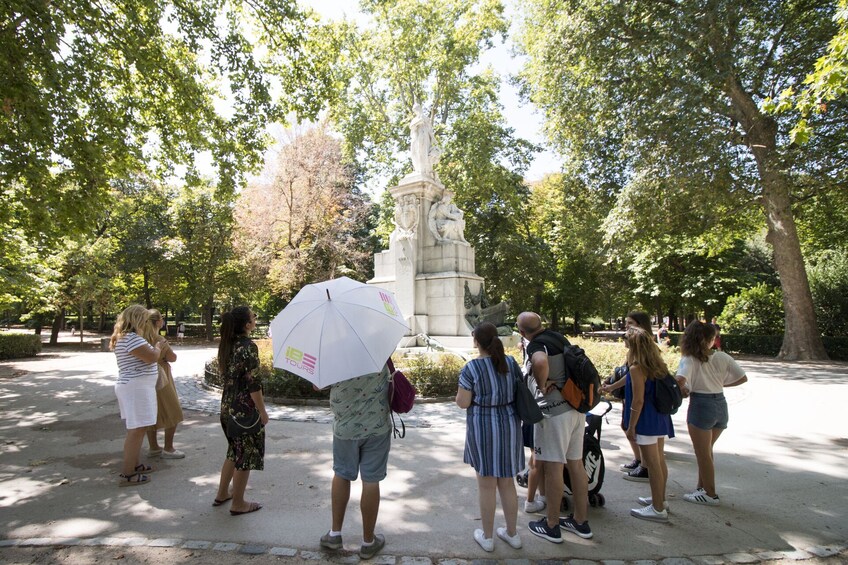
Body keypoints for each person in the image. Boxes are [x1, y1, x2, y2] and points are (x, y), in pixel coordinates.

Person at [517, 312, 593, 543]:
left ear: (522, 332)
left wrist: (541, 384)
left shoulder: (537, 345)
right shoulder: (558, 338)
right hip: (575, 410)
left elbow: (540, 362)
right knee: (576, 465)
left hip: (554, 414)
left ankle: (552, 525)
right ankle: (581, 521)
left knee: (553, 468)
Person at [456, 322, 524, 552]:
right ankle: (512, 534)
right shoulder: (511, 363)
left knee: (486, 485)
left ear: (476, 341)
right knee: (507, 482)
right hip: (509, 425)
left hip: (483, 426)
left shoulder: (471, 368)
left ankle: (487, 537)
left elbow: (463, 402)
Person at [319, 363, 392, 560]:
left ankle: (334, 535)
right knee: (371, 480)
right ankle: (368, 542)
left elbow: (317, 385)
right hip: (377, 427)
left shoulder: (333, 355)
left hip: (345, 429)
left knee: (341, 474)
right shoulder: (378, 348)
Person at [675, 320, 747, 506]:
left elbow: (680, 379)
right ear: (709, 339)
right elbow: (742, 377)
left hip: (701, 405)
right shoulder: (722, 357)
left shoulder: (689, 359)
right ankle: (702, 487)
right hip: (720, 404)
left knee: (703, 453)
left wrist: (681, 388)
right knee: (706, 451)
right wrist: (719, 383)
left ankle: (710, 493)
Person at [214, 306, 268, 515]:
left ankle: (222, 493)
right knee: (244, 457)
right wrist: (262, 411)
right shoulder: (248, 347)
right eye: (253, 316)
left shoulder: (228, 344)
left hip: (227, 407)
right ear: (247, 324)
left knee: (233, 451)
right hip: (244, 411)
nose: (255, 318)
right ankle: (238, 503)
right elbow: (253, 384)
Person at [620, 327, 675, 522]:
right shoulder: (655, 363)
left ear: (633, 344)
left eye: (626, 339)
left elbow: (638, 400)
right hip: (660, 416)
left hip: (646, 419)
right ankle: (660, 499)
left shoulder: (636, 368)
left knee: (652, 464)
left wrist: (631, 426)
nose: (623, 341)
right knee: (659, 461)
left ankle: (657, 508)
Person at [110, 304, 164, 486]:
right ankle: (127, 473)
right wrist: (157, 347)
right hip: (136, 389)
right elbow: (151, 357)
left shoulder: (128, 338)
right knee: (136, 430)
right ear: (137, 319)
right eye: (145, 318)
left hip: (136, 388)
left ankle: (134, 465)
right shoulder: (132, 338)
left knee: (139, 429)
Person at [601, 311, 654, 483]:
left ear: (641, 325)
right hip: (632, 395)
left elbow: (634, 374)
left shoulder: (645, 349)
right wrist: (611, 384)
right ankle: (640, 461)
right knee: (629, 427)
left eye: (630, 323)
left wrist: (612, 387)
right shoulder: (636, 349)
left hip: (639, 397)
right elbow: (629, 373)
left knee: (636, 430)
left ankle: (645, 466)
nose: (626, 327)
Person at [145, 309, 185, 459]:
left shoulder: (141, 337)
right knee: (173, 410)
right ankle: (169, 448)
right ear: (158, 322)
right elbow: (172, 357)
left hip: (146, 378)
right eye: (162, 318)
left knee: (151, 411)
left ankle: (153, 447)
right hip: (162, 377)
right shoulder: (158, 339)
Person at [409, 103, 441, 177]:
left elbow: (430, 130)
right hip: (416, 138)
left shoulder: (426, 118)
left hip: (424, 137)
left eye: (417, 109)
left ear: (420, 108)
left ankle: (424, 169)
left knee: (423, 152)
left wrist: (433, 139)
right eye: (415, 110)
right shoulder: (415, 119)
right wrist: (419, 121)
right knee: (416, 152)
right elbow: (412, 127)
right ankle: (418, 169)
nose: (416, 111)